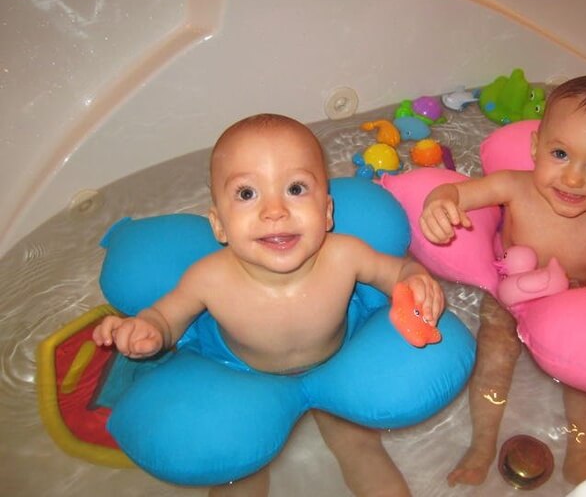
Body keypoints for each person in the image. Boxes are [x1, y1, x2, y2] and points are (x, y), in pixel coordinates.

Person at [93, 113, 445, 497]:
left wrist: (414, 277)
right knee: (237, 471)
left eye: (295, 188)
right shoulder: (209, 278)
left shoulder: (345, 256)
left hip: (340, 360)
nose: (274, 211)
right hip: (240, 373)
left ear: (327, 213)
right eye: (247, 194)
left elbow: (396, 271)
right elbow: (166, 317)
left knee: (359, 445)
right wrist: (149, 330)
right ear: (219, 226)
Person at [419, 75, 586, 487]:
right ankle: (481, 445)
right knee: (493, 362)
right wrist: (438, 203)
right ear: (536, 148)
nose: (572, 179)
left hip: (581, 303)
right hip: (509, 295)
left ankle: (581, 458)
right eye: (561, 154)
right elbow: (455, 195)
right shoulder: (514, 186)